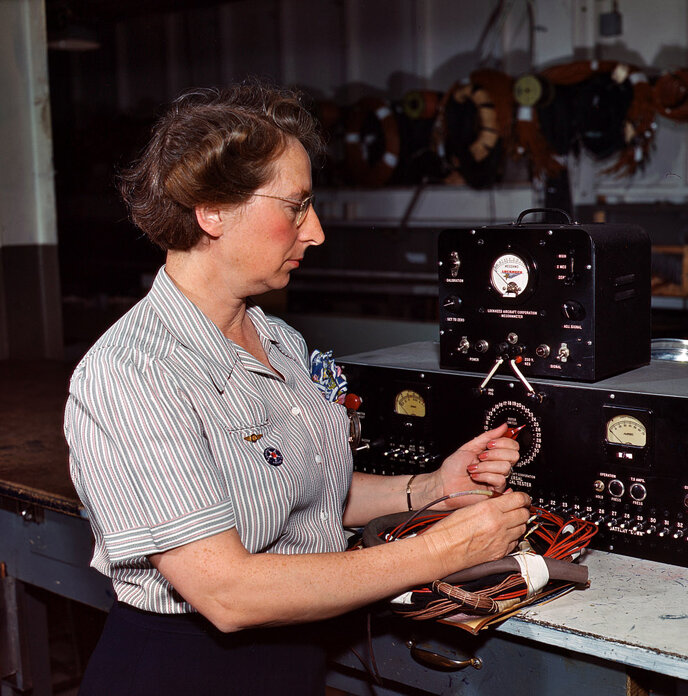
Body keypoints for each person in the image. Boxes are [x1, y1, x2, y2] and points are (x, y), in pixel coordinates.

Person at [63, 81, 531, 696]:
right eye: (295, 206)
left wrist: (433, 488)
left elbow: (300, 492)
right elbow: (227, 593)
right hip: (186, 672)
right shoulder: (134, 373)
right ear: (212, 211)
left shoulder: (276, 338)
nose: (316, 231)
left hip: (290, 665)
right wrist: (445, 550)